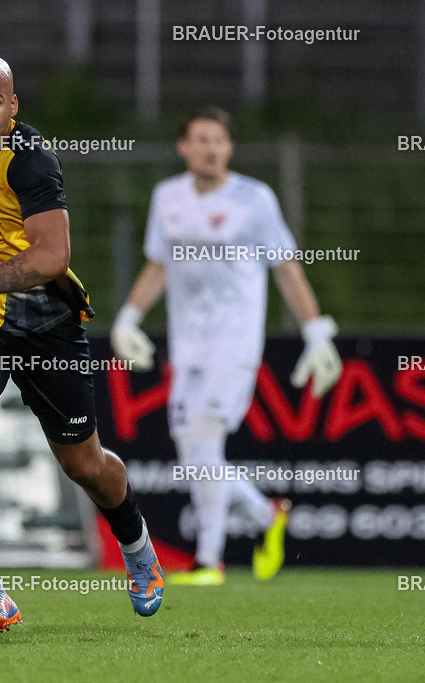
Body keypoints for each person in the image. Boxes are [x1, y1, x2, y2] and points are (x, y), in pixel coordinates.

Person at [0, 53, 164, 639]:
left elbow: (53, 257)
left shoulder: (31, 162)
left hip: (47, 325)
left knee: (85, 464)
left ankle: (137, 544)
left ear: (13, 108)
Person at [111, 106, 343, 586]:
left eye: (219, 140)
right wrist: (129, 318)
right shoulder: (167, 197)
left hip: (235, 342)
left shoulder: (254, 199)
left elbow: (286, 267)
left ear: (229, 148)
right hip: (188, 344)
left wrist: (316, 332)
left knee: (204, 439)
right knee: (196, 454)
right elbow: (159, 263)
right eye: (201, 140)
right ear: (184, 147)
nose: (211, 148)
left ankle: (209, 561)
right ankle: (266, 514)